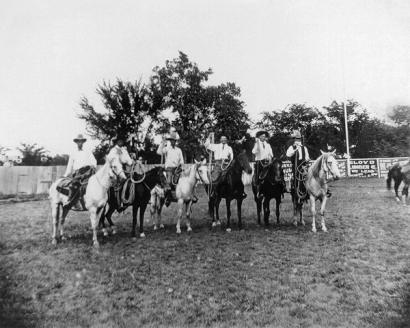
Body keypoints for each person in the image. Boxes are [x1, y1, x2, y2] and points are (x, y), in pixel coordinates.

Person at [62, 134, 97, 208]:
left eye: (81, 141)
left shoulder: (88, 151)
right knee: (73, 185)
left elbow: (94, 161)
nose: (80, 143)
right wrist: (65, 175)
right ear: (76, 142)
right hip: (78, 173)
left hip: (88, 171)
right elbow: (69, 166)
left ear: (83, 142)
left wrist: (93, 166)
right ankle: (72, 201)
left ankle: (97, 200)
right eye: (78, 141)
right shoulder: (73, 153)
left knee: (95, 183)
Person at [157, 135, 185, 206]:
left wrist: (180, 165)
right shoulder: (167, 149)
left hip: (177, 168)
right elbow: (159, 152)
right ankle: (168, 198)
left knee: (183, 181)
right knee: (169, 182)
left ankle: (187, 196)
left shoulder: (179, 150)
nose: (173, 142)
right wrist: (162, 143)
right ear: (170, 141)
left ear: (175, 142)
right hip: (169, 168)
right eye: (171, 140)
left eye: (174, 141)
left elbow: (182, 160)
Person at [286, 130, 311, 198]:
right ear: (294, 140)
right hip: (295, 166)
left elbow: (307, 157)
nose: (298, 141)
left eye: (299, 139)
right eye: (296, 139)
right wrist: (295, 150)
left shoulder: (304, 148)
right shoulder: (291, 147)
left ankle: (309, 190)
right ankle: (294, 188)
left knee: (309, 176)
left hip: (303, 165)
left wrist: (307, 160)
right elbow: (288, 154)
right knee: (295, 177)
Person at [252, 130, 273, 199]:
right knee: (259, 176)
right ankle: (259, 191)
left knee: (276, 172)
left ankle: (281, 188)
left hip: (268, 162)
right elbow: (254, 152)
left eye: (265, 136)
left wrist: (270, 159)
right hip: (259, 162)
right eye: (262, 136)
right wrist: (257, 143)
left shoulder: (268, 144)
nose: (264, 138)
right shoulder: (256, 144)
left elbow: (271, 154)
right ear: (259, 137)